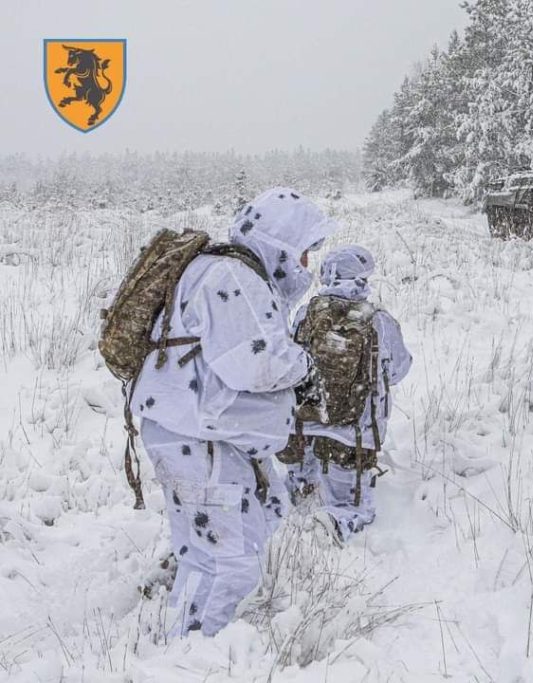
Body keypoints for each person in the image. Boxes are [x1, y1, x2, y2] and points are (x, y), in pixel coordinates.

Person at [132, 187, 337, 637]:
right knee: (229, 565)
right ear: (278, 243)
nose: (306, 267)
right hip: (199, 440)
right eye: (302, 253)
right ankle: (191, 655)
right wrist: (305, 367)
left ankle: (179, 635)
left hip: (197, 435)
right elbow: (258, 363)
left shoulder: (217, 268)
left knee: (226, 541)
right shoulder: (234, 277)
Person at [283, 245, 412, 543]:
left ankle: (291, 519)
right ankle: (330, 530)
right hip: (354, 432)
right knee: (352, 506)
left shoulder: (306, 313)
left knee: (298, 489)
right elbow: (400, 369)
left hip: (304, 425)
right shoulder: (379, 320)